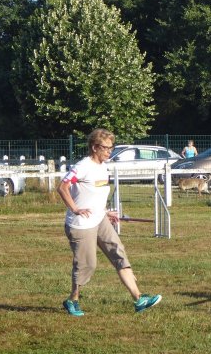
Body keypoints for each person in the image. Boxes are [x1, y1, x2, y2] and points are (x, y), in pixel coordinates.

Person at [57, 128, 162, 316]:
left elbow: (94, 195)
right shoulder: (83, 166)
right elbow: (63, 187)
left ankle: (139, 299)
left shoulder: (103, 166)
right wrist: (75, 209)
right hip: (81, 225)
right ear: (94, 147)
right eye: (106, 148)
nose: (109, 151)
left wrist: (105, 212)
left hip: (100, 220)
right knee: (87, 265)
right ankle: (73, 300)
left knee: (119, 254)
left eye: (111, 148)